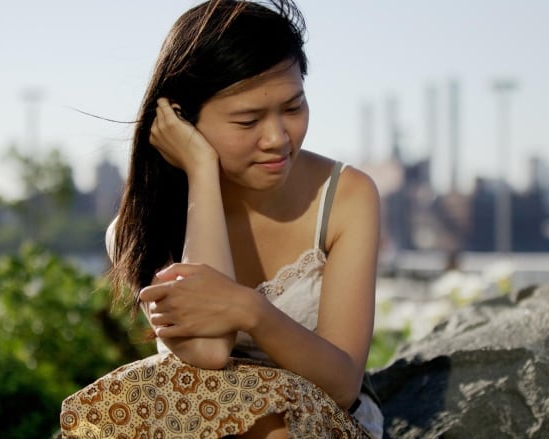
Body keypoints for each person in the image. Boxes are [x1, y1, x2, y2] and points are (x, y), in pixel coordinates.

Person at [60, 1, 383, 437]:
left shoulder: (347, 196)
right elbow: (207, 351)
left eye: (293, 108)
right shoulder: (139, 231)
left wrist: (251, 310)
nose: (277, 138)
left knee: (270, 426)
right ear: (181, 119)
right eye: (247, 120)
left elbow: (342, 386)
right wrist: (201, 173)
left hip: (317, 424)